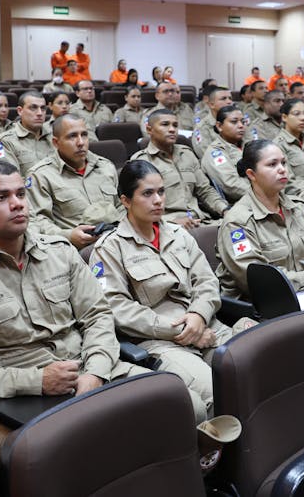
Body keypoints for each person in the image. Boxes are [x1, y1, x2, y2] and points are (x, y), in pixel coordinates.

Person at [0, 160, 148, 409]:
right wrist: (36, 381)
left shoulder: (60, 252)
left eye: (21, 194)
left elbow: (97, 315)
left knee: (179, 403)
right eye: (1, 197)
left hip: (94, 370)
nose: (17, 203)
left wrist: (96, 370)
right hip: (25, 399)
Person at [91, 161, 251, 421]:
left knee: (258, 370)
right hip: (162, 342)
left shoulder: (179, 235)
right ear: (126, 200)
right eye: (147, 194)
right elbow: (117, 309)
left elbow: (207, 282)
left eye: (161, 192)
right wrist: (181, 330)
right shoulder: (109, 249)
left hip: (208, 326)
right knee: (215, 396)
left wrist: (198, 316)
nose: (158, 200)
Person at [216, 140, 304, 318]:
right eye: (272, 164)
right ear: (251, 174)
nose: (282, 169)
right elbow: (260, 283)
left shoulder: (298, 208)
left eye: (283, 163)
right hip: (263, 309)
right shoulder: (237, 222)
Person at [27, 115, 121, 249]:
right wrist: (68, 236)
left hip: (116, 243)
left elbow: (121, 206)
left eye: (84, 135)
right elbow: (37, 221)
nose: (81, 142)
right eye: (72, 136)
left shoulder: (105, 167)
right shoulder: (41, 175)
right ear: (55, 142)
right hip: (74, 250)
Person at [131, 109, 229, 228]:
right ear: (149, 129)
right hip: (167, 226)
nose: (172, 129)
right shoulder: (142, 161)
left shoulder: (187, 154)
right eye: (165, 124)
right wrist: (169, 221)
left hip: (200, 220)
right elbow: (137, 206)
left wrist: (225, 210)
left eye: (175, 125)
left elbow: (205, 190)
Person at [0, 91, 55, 176]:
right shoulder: (5, 141)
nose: (40, 113)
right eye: (33, 108)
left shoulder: (55, 137)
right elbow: (10, 179)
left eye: (43, 108)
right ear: (20, 111)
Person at [201, 106, 248, 203]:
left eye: (243, 122)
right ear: (219, 126)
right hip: (241, 204)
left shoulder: (248, 145)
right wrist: (265, 192)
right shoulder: (216, 152)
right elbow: (231, 185)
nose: (241, 125)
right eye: (234, 122)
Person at [273, 98, 304, 196]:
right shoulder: (278, 145)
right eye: (297, 114)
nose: (303, 118)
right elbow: (288, 184)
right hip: (303, 196)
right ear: (284, 117)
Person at [192, 85, 233, 158]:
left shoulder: (238, 123)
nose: (229, 102)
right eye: (223, 99)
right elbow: (208, 156)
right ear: (211, 105)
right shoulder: (202, 128)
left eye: (230, 98)